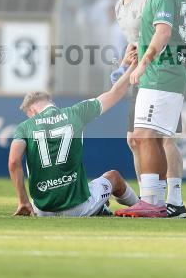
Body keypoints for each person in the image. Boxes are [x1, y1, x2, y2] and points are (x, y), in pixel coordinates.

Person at [98, 0, 186, 217]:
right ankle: (149, 198)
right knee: (136, 139)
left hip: (159, 71)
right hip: (142, 74)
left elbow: (163, 32)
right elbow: (136, 41)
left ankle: (173, 200)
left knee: (162, 137)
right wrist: (125, 63)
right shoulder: (119, 7)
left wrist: (144, 61)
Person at [8, 73, 141, 217]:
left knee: (85, 188)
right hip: (79, 208)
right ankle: (140, 206)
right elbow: (115, 93)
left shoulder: (25, 127)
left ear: (32, 111)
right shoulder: (76, 113)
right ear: (50, 101)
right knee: (114, 177)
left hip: (42, 211)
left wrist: (23, 201)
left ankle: (100, 208)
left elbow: (14, 161)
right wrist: (132, 67)